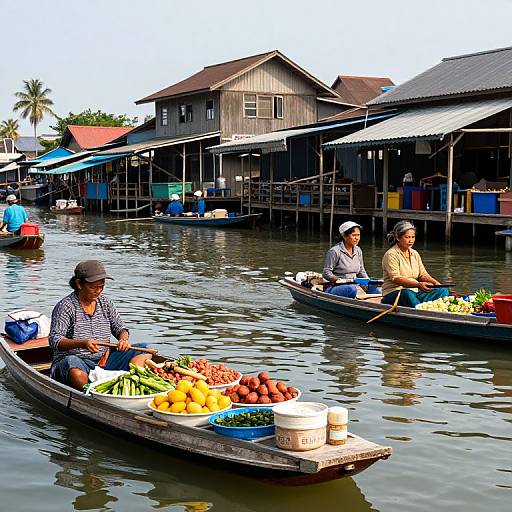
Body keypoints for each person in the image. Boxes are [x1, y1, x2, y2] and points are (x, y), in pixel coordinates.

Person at [48, 260, 152, 391]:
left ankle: (132, 384)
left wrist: (123, 340)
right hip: (77, 362)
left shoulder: (105, 303)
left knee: (143, 349)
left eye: (101, 287)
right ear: (79, 284)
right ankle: (91, 393)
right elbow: (55, 340)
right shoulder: (65, 307)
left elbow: (120, 328)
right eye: (93, 287)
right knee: (72, 365)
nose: (98, 291)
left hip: (103, 362)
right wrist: (83, 343)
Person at [381, 220, 449, 307]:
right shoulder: (391, 254)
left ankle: (428, 308)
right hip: (394, 293)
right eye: (407, 237)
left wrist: (436, 283)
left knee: (443, 290)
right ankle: (421, 310)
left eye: (413, 237)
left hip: (415, 291)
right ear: (398, 238)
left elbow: (422, 275)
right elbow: (396, 278)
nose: (411, 240)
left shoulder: (414, 253)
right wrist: (418, 284)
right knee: (407, 293)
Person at [323, 221, 376, 298]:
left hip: (355, 284)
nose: (357, 238)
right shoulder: (334, 251)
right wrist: (338, 279)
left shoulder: (358, 250)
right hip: (336, 286)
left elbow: (361, 271)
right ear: (345, 236)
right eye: (353, 235)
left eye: (358, 235)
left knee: (377, 289)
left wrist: (367, 281)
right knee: (351, 289)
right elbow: (326, 272)